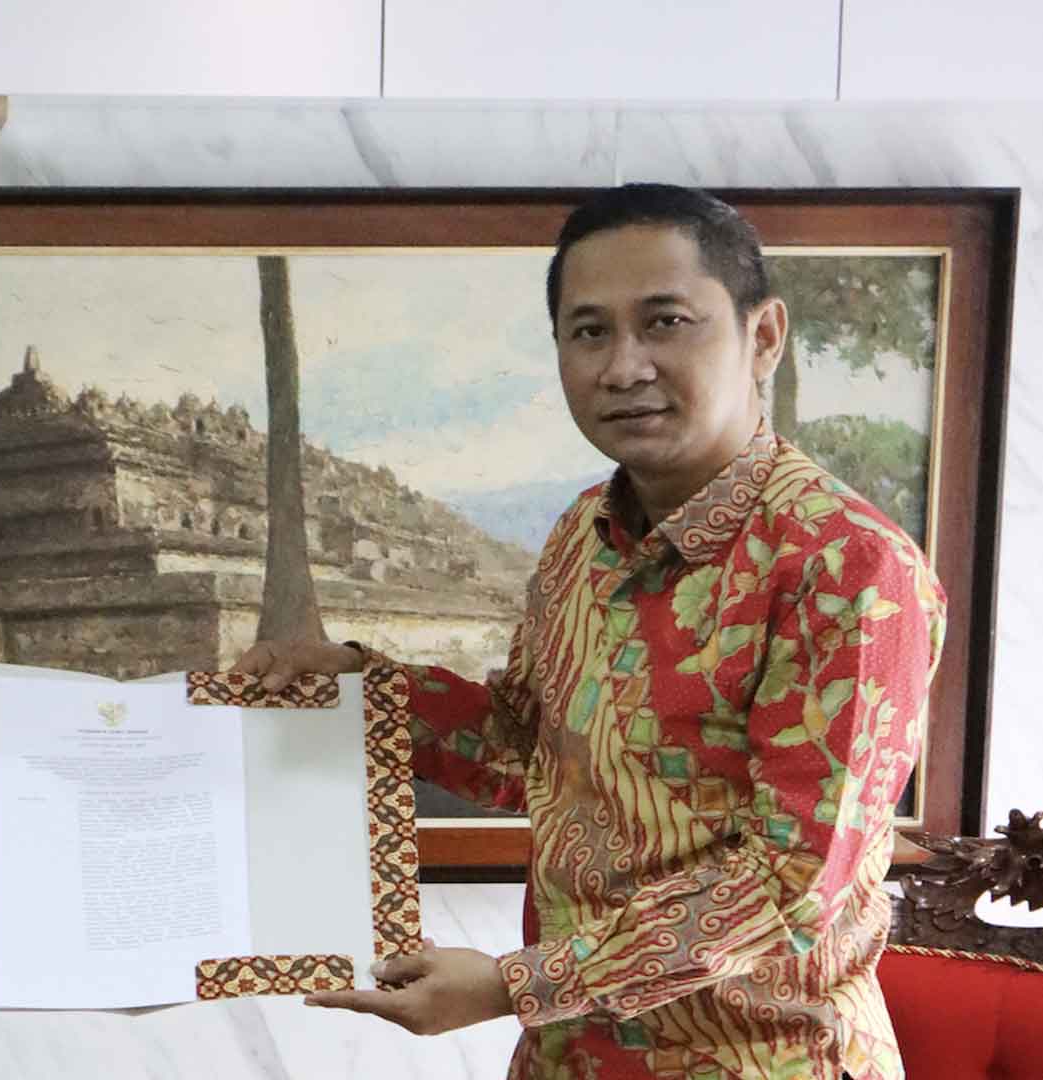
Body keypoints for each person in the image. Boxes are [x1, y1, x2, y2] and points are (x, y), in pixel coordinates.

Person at [240, 184, 945, 1080]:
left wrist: (511, 987)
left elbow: (790, 886)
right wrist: (353, 687)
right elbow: (524, 752)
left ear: (761, 336)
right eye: (588, 332)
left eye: (665, 322)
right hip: (566, 1057)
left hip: (760, 1062)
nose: (622, 367)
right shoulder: (584, 534)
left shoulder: (845, 567)